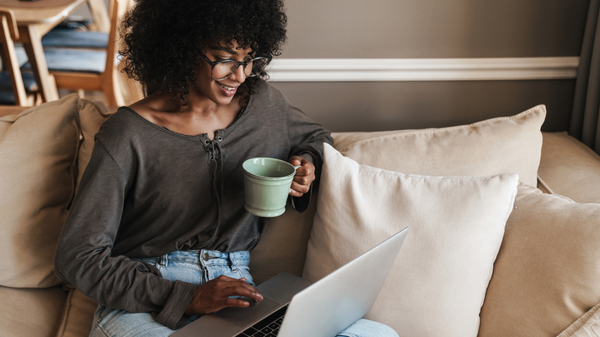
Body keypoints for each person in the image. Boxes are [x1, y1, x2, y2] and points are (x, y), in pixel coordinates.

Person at [54, 1, 399, 336]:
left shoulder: (263, 105)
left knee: (375, 333)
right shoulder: (129, 134)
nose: (240, 74)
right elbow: (78, 256)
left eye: (249, 59)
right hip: (145, 302)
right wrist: (186, 296)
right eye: (224, 60)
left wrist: (307, 163)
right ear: (182, 48)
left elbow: (316, 137)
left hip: (237, 296)